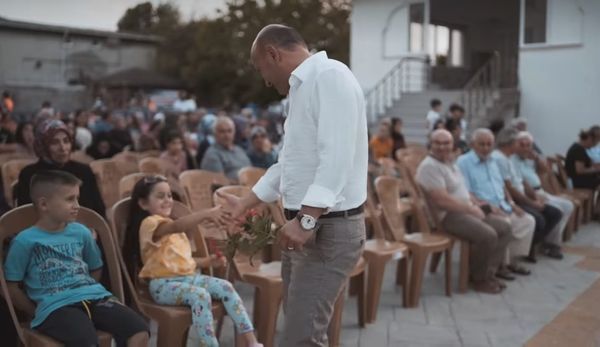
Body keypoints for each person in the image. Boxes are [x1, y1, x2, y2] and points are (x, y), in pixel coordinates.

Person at [219, 24, 367, 346]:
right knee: (302, 332)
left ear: (273, 54)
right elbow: (290, 164)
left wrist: (306, 220)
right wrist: (247, 201)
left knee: (302, 338)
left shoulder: (329, 76)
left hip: (324, 229)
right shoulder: (303, 87)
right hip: (307, 227)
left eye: (262, 69)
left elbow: (337, 158)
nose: (264, 80)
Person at [3, 170, 149, 346]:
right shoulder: (24, 241)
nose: (77, 205)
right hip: (56, 307)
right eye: (70, 199)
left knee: (139, 329)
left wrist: (86, 288)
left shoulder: (81, 232)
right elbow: (11, 287)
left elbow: (95, 267)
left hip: (95, 298)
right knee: (85, 340)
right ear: (44, 204)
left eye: (77, 198)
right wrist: (35, 311)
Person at [125, 175, 261, 347]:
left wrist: (208, 262)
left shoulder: (173, 227)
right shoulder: (150, 224)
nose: (167, 200)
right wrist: (206, 213)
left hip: (188, 279)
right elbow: (176, 226)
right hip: (163, 285)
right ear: (144, 203)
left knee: (226, 286)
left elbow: (182, 261)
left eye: (169, 195)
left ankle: (252, 342)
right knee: (200, 295)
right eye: (160, 196)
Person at [416, 130, 510, 293]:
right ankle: (478, 279)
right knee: (488, 235)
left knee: (505, 227)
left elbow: (464, 191)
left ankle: (488, 273)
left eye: (446, 143)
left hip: (465, 210)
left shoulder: (449, 162)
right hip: (447, 216)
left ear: (452, 145)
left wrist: (479, 205)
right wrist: (472, 210)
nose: (442, 146)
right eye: (437, 142)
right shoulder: (430, 166)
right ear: (430, 144)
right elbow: (442, 201)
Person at [457, 128, 535, 279]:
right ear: (473, 145)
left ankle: (509, 261)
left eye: (489, 144)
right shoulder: (464, 162)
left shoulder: (492, 161)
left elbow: (502, 185)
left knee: (527, 220)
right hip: (481, 208)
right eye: (482, 144)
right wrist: (487, 207)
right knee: (505, 224)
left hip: (501, 205)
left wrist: (511, 203)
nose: (486, 148)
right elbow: (466, 192)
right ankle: (500, 266)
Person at [492, 128, 563, 261]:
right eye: (518, 143)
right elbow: (509, 188)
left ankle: (531, 246)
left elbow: (522, 181)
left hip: (523, 196)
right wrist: (531, 203)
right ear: (511, 143)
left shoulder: (508, 158)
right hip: (514, 199)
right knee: (539, 219)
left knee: (555, 213)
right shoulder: (500, 159)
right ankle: (519, 254)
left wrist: (535, 198)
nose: (521, 147)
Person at [16, 119, 105, 216]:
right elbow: (24, 217)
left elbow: (99, 213)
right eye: (55, 142)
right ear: (42, 145)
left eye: (66, 141)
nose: (63, 148)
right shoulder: (29, 175)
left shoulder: (84, 171)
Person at [513, 131, 573, 257]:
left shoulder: (529, 158)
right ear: (515, 145)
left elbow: (545, 171)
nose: (525, 148)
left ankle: (549, 240)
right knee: (558, 210)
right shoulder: (513, 160)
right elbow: (521, 183)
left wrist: (536, 158)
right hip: (529, 193)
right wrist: (534, 198)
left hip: (540, 190)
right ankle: (552, 244)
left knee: (568, 205)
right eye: (522, 145)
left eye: (528, 145)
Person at [200, 116, 251, 182]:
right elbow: (219, 182)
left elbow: (251, 171)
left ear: (234, 132)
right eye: (222, 131)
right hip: (231, 190)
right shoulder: (212, 154)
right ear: (215, 134)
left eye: (229, 131)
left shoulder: (239, 150)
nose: (227, 135)